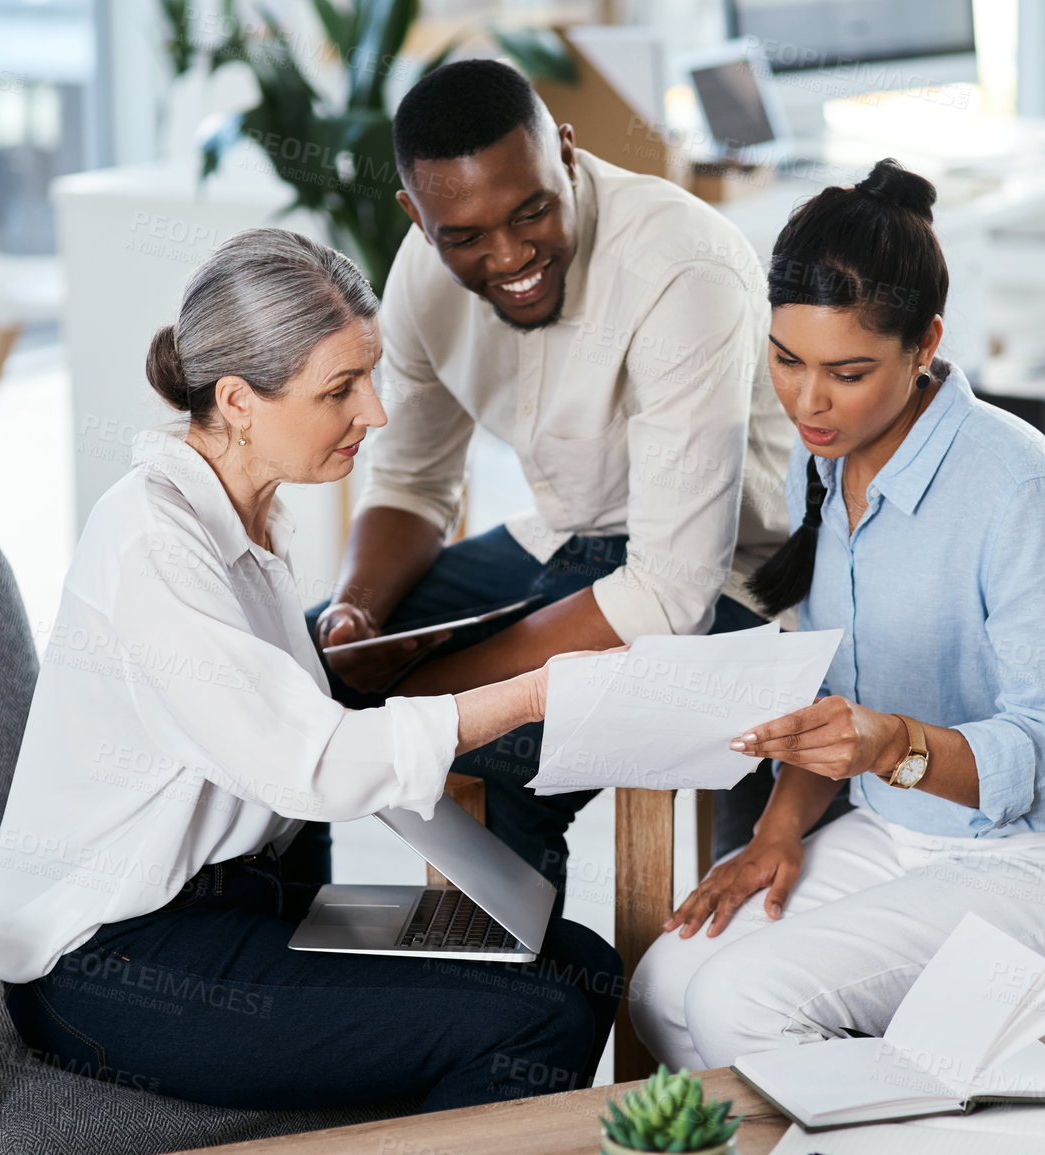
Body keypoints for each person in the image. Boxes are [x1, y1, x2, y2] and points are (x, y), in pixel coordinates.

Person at [0, 228, 622, 1111]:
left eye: (371, 375)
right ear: (239, 399)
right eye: (340, 389)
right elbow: (308, 761)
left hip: (254, 900)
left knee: (582, 964)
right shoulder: (151, 543)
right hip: (118, 954)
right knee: (530, 1017)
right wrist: (535, 691)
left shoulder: (248, 518)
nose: (376, 412)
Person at [627, 161, 1045, 1069]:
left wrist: (892, 746)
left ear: (924, 344)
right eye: (786, 359)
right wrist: (773, 836)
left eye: (846, 371)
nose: (806, 401)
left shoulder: (1015, 486)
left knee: (739, 1003)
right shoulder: (831, 456)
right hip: (899, 834)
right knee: (661, 987)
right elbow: (833, 708)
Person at [306, 59, 797, 897]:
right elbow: (413, 482)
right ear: (415, 217)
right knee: (292, 666)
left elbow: (669, 593)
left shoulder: (682, 270)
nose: (509, 254)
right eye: (463, 235)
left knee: (496, 752)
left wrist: (433, 691)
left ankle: (518, 1006)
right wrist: (359, 612)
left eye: (531, 209)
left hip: (729, 589)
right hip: (567, 543)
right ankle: (275, 955)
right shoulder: (423, 278)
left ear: (565, 154)